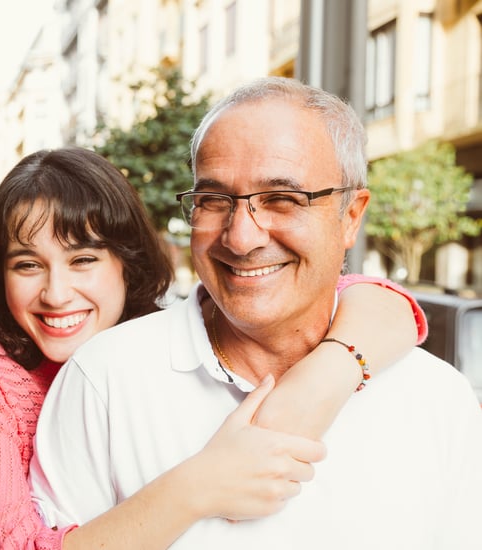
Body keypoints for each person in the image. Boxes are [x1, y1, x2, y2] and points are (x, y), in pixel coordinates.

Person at [29, 78, 482, 549]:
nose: (241, 238)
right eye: (214, 200)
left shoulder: (436, 399)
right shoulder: (104, 379)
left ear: (351, 216)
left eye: (282, 199)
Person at [0, 146, 421, 550]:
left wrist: (328, 373)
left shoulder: (159, 345)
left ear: (126, 262)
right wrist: (200, 484)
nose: (56, 293)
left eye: (83, 259)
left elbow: (365, 294)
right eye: (27, 265)